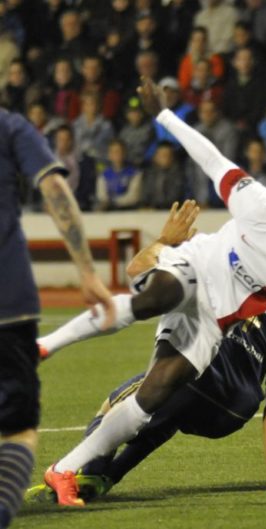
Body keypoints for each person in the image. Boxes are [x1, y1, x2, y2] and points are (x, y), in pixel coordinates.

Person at [42, 77, 266, 506]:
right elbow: (211, 157)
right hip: (195, 273)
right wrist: (163, 115)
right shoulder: (261, 208)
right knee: (157, 307)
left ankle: (69, 469)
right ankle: (45, 350)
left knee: (150, 398)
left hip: (211, 330)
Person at [28, 202, 266, 500]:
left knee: (121, 406)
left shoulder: (215, 261)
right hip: (232, 412)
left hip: (198, 377)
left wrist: (165, 241)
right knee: (167, 416)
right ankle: (107, 477)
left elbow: (137, 269)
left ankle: (81, 476)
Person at [0, 107, 114, 528]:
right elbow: (54, 187)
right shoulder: (10, 126)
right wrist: (87, 271)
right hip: (9, 302)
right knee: (16, 428)